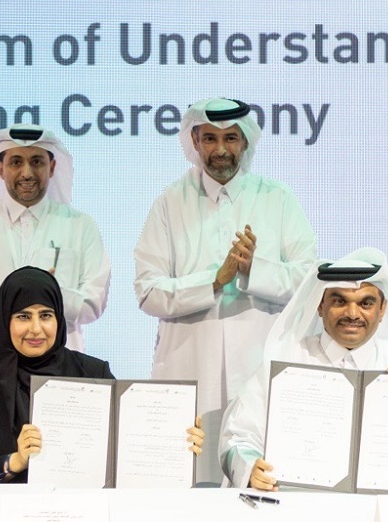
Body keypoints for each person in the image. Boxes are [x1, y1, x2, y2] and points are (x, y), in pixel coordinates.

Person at [133, 97, 317, 485]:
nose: (220, 150)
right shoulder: (169, 203)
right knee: (187, 486)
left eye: (230, 138)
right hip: (188, 366)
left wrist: (254, 269)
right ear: (195, 142)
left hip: (256, 364)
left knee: (259, 481)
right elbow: (148, 292)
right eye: (210, 139)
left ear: (246, 141)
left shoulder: (276, 199)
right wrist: (214, 281)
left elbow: (308, 281)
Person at [218, 247, 388, 490]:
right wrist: (251, 469)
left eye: (366, 303)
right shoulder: (286, 363)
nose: (353, 313)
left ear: (382, 310)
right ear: (320, 306)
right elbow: (239, 437)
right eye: (339, 301)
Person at [0, 266, 204, 483]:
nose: (35, 329)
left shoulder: (92, 373)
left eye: (46, 315)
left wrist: (175, 442)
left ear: (59, 319)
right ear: (4, 320)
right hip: (1, 511)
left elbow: (123, 451)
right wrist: (14, 461)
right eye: (23, 316)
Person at [0, 124, 110, 364]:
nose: (27, 173)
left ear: (52, 167)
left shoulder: (80, 226)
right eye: (16, 162)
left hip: (60, 372)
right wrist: (11, 316)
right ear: (0, 169)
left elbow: (93, 303)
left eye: (37, 162)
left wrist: (51, 294)